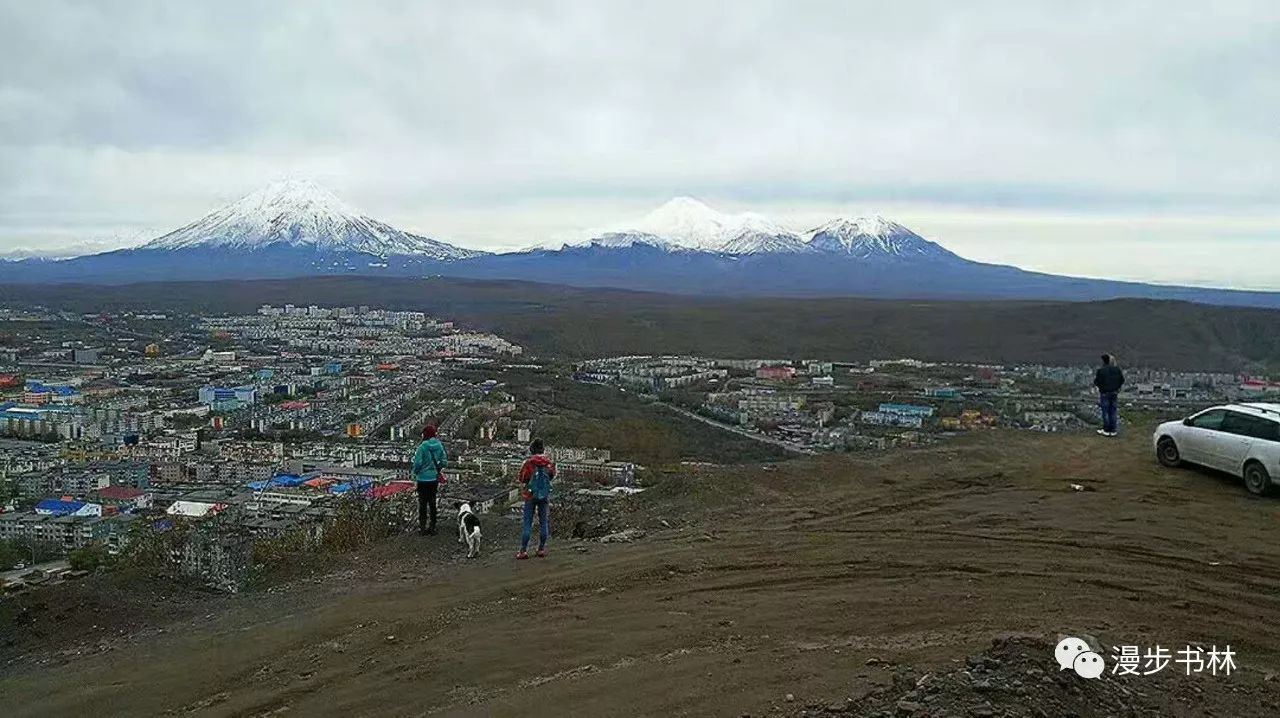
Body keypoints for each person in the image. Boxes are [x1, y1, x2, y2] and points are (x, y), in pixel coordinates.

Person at [516, 438, 555, 560]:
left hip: (530, 495)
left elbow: (522, 478)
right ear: (542, 449)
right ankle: (541, 549)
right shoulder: (549, 463)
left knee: (528, 522)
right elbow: (551, 476)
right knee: (544, 522)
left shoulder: (529, 463)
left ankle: (523, 551)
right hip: (544, 495)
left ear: (532, 450)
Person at [411, 424, 447, 535]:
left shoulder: (422, 447)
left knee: (422, 503)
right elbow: (444, 461)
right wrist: (437, 469)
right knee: (432, 502)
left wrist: (416, 472)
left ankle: (422, 527)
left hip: (422, 479)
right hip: (433, 479)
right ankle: (433, 527)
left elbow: (417, 463)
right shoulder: (439, 445)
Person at [1094, 354, 1125, 437]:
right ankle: (1113, 429)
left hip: (1105, 393)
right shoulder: (1117, 370)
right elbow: (1122, 380)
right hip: (1114, 392)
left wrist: (1102, 388)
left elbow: (1096, 381)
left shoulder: (1101, 370)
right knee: (1113, 411)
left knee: (1105, 411)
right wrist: (1117, 388)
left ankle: (1106, 429)